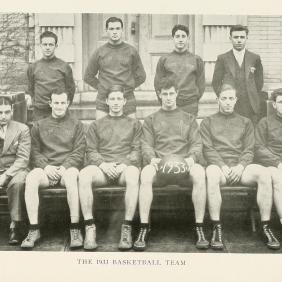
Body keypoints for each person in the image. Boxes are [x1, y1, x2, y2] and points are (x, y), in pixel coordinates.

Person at [200, 84, 279, 250]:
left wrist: (241, 166)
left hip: (241, 168)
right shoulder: (208, 122)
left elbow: (249, 148)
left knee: (264, 174)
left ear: (236, 100)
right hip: (219, 167)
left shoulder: (245, 122)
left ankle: (265, 226)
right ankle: (216, 226)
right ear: (218, 100)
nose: (227, 102)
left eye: (231, 98)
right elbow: (208, 149)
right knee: (211, 173)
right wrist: (221, 165)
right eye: (224, 99)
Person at [134, 78, 208, 251]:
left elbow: (197, 143)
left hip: (184, 165)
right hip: (160, 165)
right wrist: (151, 158)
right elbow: (146, 144)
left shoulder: (189, 118)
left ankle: (200, 227)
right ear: (159, 95)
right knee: (145, 175)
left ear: (177, 94)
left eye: (171, 93)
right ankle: (144, 227)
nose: (168, 97)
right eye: (164, 94)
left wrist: (191, 158)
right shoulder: (151, 119)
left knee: (199, 173)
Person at [78, 85, 142, 251]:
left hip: (123, 168)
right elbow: (91, 150)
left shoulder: (134, 124)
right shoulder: (96, 125)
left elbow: (136, 151)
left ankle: (126, 227)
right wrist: (103, 164)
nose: (115, 102)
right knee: (84, 175)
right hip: (102, 169)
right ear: (106, 101)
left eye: (119, 99)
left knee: (134, 174)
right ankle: (89, 227)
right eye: (112, 99)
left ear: (124, 101)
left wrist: (123, 164)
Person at [21, 91, 85, 250]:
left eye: (62, 103)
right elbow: (34, 152)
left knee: (71, 178)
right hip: (46, 169)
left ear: (68, 103)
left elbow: (79, 151)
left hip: (67, 168)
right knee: (31, 178)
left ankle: (75, 228)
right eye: (56, 103)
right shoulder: (39, 125)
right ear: (50, 104)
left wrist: (64, 167)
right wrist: (46, 167)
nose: (59, 106)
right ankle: (34, 229)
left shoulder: (77, 124)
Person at [84, 17, 146, 119]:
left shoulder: (131, 51)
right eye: (111, 29)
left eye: (117, 28)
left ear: (122, 30)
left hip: (127, 98)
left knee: (131, 130)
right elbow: (88, 76)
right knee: (101, 130)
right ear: (106, 31)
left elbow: (141, 76)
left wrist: (128, 88)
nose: (115, 32)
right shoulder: (99, 52)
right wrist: (103, 88)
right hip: (104, 99)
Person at [212, 25, 264, 124]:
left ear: (246, 38)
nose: (239, 40)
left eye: (242, 37)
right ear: (230, 38)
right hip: (230, 105)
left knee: (249, 132)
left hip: (250, 105)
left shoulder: (255, 58)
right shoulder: (222, 58)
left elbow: (259, 82)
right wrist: (225, 97)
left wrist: (253, 95)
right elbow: (216, 82)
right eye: (236, 37)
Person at [154, 24, 205, 116]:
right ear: (173, 38)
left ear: (188, 38)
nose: (180, 39)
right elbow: (158, 83)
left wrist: (193, 99)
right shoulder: (164, 59)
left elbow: (201, 84)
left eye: (183, 36)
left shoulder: (196, 59)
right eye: (177, 36)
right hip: (170, 104)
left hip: (190, 105)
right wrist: (164, 101)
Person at [0, 96, 30, 245]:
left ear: (12, 111)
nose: (3, 116)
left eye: (6, 112)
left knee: (17, 183)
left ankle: (15, 225)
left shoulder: (22, 129)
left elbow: (23, 159)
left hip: (16, 169)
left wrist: (6, 175)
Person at [26, 31, 76, 121]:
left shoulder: (64, 66)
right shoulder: (33, 67)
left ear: (56, 46)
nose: (47, 48)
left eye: (51, 44)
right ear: (40, 45)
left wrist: (62, 106)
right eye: (45, 44)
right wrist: (36, 103)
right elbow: (30, 89)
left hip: (59, 111)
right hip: (40, 113)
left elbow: (71, 89)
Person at [255, 88, 282, 232]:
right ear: (274, 105)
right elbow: (259, 148)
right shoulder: (265, 122)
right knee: (279, 178)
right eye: (281, 102)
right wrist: (278, 163)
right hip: (272, 165)